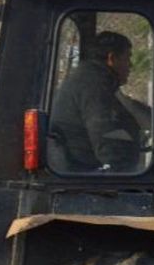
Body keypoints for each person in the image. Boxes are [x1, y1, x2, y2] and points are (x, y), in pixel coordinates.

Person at [49, 31, 145, 172]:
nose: (130, 65)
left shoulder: (95, 80)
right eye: (127, 58)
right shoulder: (94, 86)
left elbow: (128, 111)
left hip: (82, 167)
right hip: (80, 172)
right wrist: (127, 174)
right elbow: (104, 135)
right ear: (111, 58)